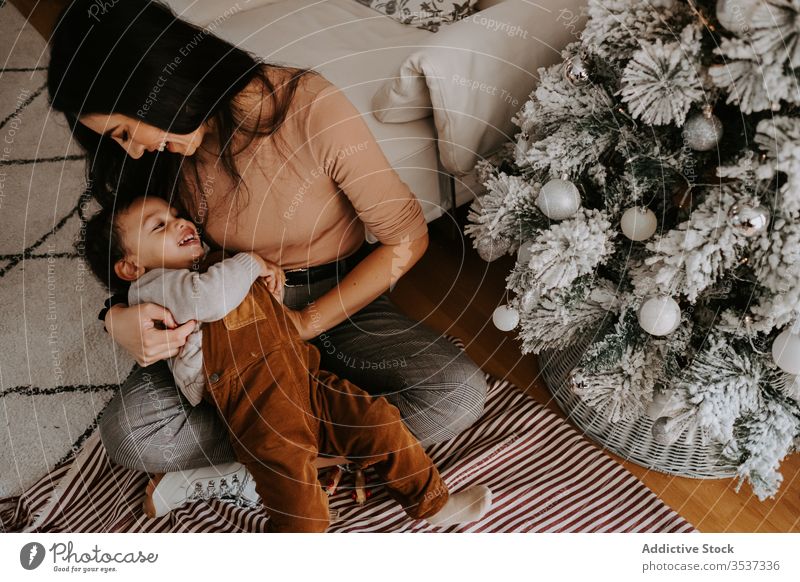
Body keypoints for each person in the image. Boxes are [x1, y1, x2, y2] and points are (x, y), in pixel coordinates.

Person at [48, 0, 488, 512]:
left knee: (457, 394)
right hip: (225, 319)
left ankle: (264, 463)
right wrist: (116, 318)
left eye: (125, 131)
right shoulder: (162, 158)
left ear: (152, 87)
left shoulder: (308, 108)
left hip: (337, 300)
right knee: (131, 433)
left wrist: (300, 326)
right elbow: (136, 255)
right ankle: (319, 453)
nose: (134, 152)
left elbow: (406, 239)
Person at [79, 195, 492, 531]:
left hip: (303, 373)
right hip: (254, 401)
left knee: (378, 422)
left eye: (177, 214)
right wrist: (253, 263)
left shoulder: (207, 265)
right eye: (159, 226)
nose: (181, 223)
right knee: (300, 502)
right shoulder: (155, 286)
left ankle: (431, 502)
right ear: (131, 267)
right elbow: (210, 299)